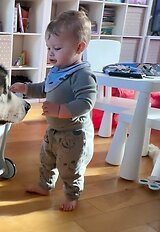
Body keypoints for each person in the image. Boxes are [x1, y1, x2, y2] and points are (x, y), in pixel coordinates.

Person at [10, 10, 97, 211]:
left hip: (74, 134)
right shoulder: (57, 70)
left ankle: (71, 195)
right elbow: (44, 88)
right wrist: (26, 88)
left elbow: (86, 102)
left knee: (70, 167)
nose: (50, 53)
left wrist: (60, 109)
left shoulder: (83, 74)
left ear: (79, 47)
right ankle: (44, 185)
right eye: (49, 48)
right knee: (46, 158)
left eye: (56, 48)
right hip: (54, 130)